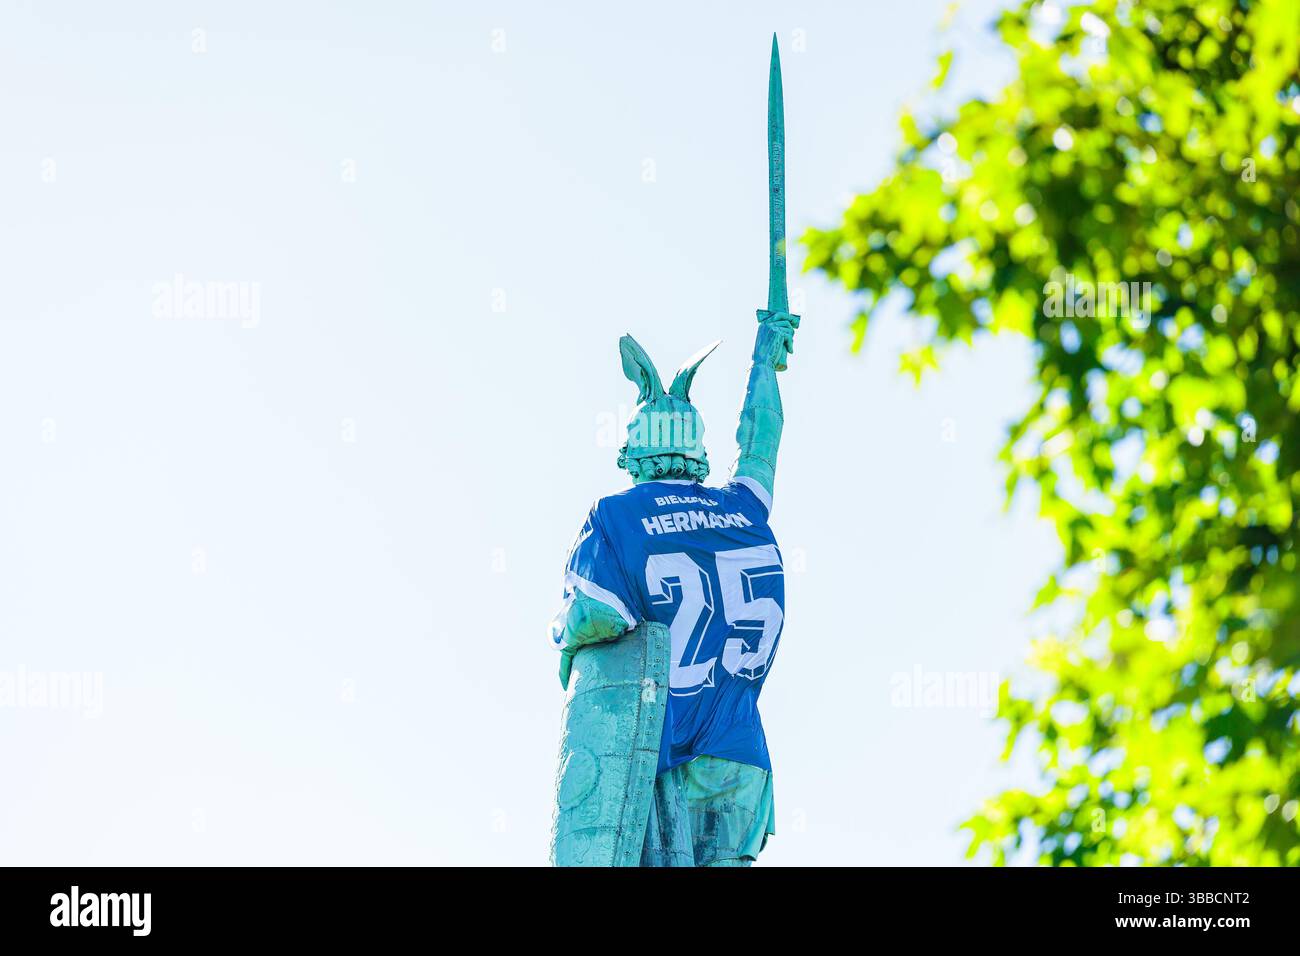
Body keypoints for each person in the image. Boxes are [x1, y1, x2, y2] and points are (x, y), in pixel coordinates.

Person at [549, 308, 797, 866]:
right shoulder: (746, 509)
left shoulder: (616, 516)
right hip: (740, 758)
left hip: (660, 753)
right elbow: (761, 444)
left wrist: (557, 633)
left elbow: (598, 618)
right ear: (695, 451)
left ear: (634, 451)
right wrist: (765, 364)